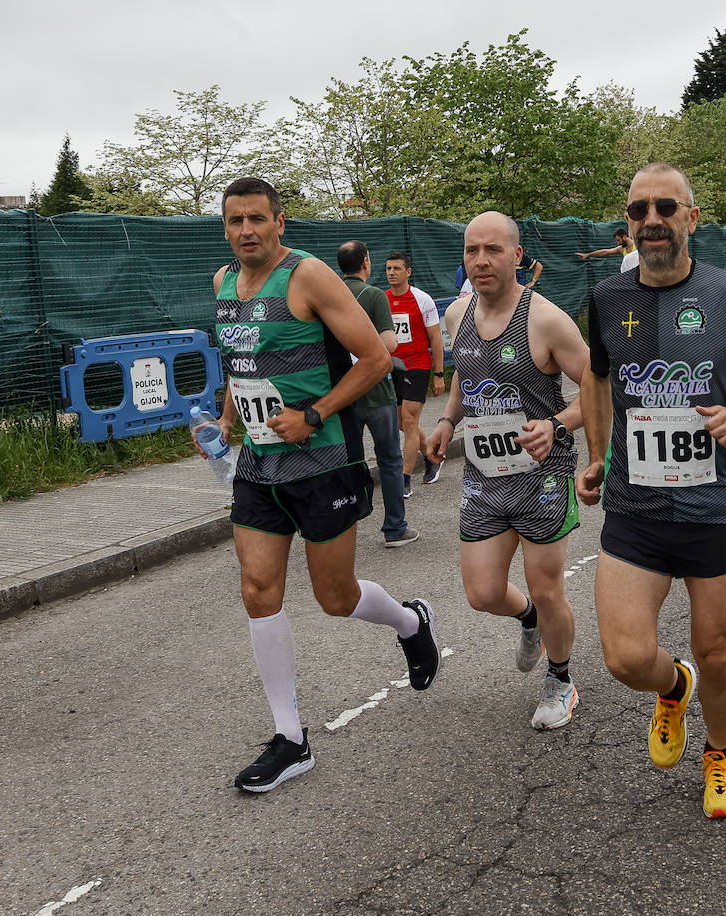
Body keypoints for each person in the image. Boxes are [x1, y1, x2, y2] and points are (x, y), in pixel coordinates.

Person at [577, 163, 726, 819]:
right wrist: (596, 456)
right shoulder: (606, 299)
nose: (650, 220)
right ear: (628, 224)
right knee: (626, 658)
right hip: (635, 506)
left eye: (664, 207)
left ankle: (720, 753)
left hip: (715, 505)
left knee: (718, 653)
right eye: (637, 210)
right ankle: (670, 686)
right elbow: (595, 380)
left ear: (691, 218)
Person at [210, 178, 440, 794]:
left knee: (334, 598)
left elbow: (374, 359)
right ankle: (290, 738)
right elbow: (240, 361)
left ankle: (412, 623)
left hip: (322, 460)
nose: (246, 231)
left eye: (257, 219)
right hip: (260, 465)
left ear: (280, 222)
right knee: (258, 590)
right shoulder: (223, 283)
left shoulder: (308, 276)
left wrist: (312, 415)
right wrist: (228, 419)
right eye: (235, 221)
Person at [426, 211, 590, 730]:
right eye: (472, 250)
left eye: (493, 250)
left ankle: (561, 679)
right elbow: (464, 376)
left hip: (542, 476)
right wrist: (448, 421)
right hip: (483, 476)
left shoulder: (546, 320)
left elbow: (600, 388)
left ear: (516, 256)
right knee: (482, 593)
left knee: (546, 587)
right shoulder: (457, 314)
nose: (480, 261)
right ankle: (530, 623)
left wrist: (558, 426)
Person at [336, 241, 417, 548]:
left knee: (348, 462)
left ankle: (344, 529)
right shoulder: (373, 296)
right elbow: (390, 344)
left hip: (342, 393)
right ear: (366, 263)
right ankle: (395, 528)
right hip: (377, 390)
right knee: (390, 461)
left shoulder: (328, 295)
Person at [385, 251, 446, 495]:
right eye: (388, 268)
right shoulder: (382, 299)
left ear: (408, 272)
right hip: (393, 369)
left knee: (410, 421)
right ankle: (432, 456)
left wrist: (439, 374)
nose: (391, 272)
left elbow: (435, 338)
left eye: (397, 268)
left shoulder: (422, 299)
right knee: (401, 422)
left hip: (418, 366)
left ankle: (404, 479)